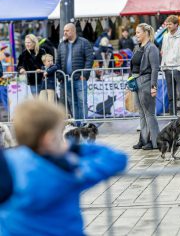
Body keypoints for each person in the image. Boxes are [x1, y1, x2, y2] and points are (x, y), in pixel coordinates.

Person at [0, 99, 127, 235]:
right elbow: (116, 158)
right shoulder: (69, 169)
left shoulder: (7, 164)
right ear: (50, 138)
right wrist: (74, 148)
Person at [57, 23, 94, 125]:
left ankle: (84, 124)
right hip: (66, 79)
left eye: (67, 30)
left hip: (79, 78)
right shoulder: (62, 44)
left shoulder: (84, 42)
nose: (64, 32)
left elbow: (89, 59)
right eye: (64, 31)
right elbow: (58, 61)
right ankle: (77, 125)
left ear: (73, 31)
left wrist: (85, 74)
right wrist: (60, 76)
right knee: (72, 103)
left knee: (82, 102)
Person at [131, 23, 160, 150]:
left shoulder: (152, 48)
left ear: (145, 33)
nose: (136, 35)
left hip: (147, 81)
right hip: (136, 82)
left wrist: (154, 86)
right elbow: (133, 66)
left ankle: (154, 142)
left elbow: (155, 68)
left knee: (149, 114)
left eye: (138, 32)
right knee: (141, 114)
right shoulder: (137, 48)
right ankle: (143, 139)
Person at [161, 15, 180, 115]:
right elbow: (164, 52)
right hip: (168, 69)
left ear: (176, 25)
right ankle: (172, 116)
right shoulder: (165, 36)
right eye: (167, 24)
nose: (168, 26)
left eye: (170, 24)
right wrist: (164, 65)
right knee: (171, 96)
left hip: (179, 69)